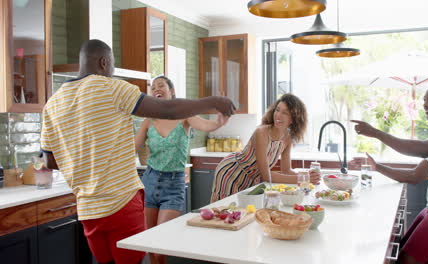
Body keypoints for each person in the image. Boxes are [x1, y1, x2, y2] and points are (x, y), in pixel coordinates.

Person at [40, 39, 236, 264]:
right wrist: (212, 101)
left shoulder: (52, 104)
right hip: (121, 201)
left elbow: (50, 161)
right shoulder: (112, 88)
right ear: (104, 62)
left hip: (88, 208)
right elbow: (167, 110)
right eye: (112, 65)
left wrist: (85, 154)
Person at [351, 80, 428, 264]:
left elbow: (421, 149)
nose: (425, 104)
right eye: (424, 100)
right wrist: (377, 166)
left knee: (406, 259)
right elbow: (414, 176)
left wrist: (376, 133)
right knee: (402, 251)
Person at [134, 75, 229, 264]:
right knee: (150, 245)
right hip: (150, 182)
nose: (156, 90)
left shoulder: (185, 116)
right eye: (153, 88)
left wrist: (220, 120)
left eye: (161, 86)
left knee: (161, 243)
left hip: (173, 185)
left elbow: (206, 125)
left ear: (172, 91)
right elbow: (132, 148)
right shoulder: (148, 120)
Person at [211, 93, 320, 202]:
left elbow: (286, 170)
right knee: (224, 212)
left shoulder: (287, 138)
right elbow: (266, 176)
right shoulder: (262, 133)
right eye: (277, 110)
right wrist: (302, 180)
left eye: (285, 113)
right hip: (231, 173)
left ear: (293, 119)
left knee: (244, 214)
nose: (278, 115)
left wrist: (305, 176)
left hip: (251, 180)